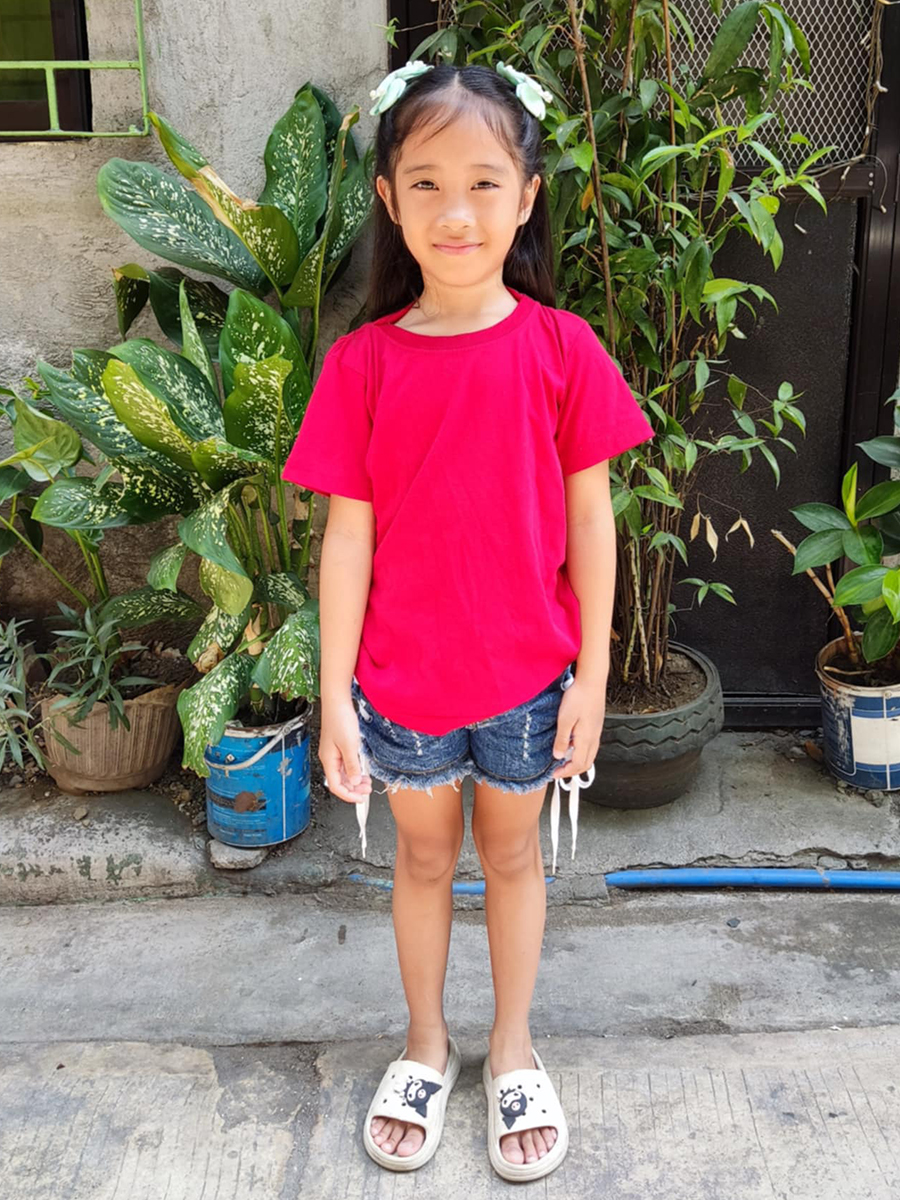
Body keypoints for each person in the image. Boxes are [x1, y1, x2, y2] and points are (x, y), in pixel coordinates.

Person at [281, 58, 655, 1182]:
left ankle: (515, 1046)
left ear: (527, 195)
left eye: (485, 182)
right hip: (401, 685)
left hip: (531, 680)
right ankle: (426, 1044)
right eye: (427, 183)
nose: (457, 211)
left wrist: (593, 678)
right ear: (388, 200)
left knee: (516, 857)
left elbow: (593, 525)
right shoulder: (362, 364)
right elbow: (346, 538)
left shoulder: (562, 349)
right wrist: (334, 695)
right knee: (422, 860)